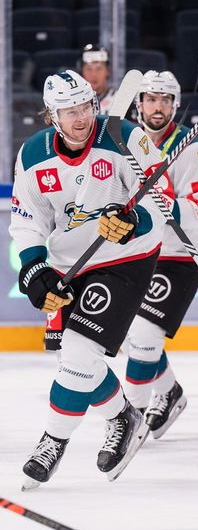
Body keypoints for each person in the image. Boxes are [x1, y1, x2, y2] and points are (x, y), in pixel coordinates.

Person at [9, 70, 168, 489]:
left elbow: (161, 198)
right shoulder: (32, 156)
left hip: (126, 257)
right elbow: (27, 222)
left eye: (84, 107)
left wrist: (134, 220)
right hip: (69, 261)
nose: (80, 118)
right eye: (68, 111)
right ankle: (122, 415)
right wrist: (34, 268)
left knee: (80, 350)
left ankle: (51, 440)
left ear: (94, 105)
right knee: (74, 361)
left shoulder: (125, 138)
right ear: (50, 115)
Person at [122, 70, 198, 439]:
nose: (157, 107)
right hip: (137, 251)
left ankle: (129, 420)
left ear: (175, 105)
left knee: (144, 335)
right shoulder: (125, 145)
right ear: (139, 104)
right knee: (132, 336)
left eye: (165, 100)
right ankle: (169, 391)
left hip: (179, 254)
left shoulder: (191, 148)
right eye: (150, 99)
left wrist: (160, 202)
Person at [80, 44, 116, 114]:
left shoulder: (120, 100)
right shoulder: (74, 101)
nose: (94, 74)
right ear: (82, 72)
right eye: (89, 69)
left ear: (108, 71)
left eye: (99, 69)